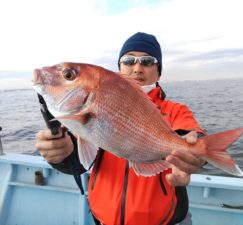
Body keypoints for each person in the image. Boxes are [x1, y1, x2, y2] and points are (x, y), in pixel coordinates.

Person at [35, 32, 207, 225]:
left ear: (158, 72)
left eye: (148, 61)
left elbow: (191, 136)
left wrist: (195, 154)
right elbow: (78, 163)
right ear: (119, 68)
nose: (138, 68)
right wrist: (60, 155)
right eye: (129, 60)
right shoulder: (82, 114)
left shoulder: (175, 110)